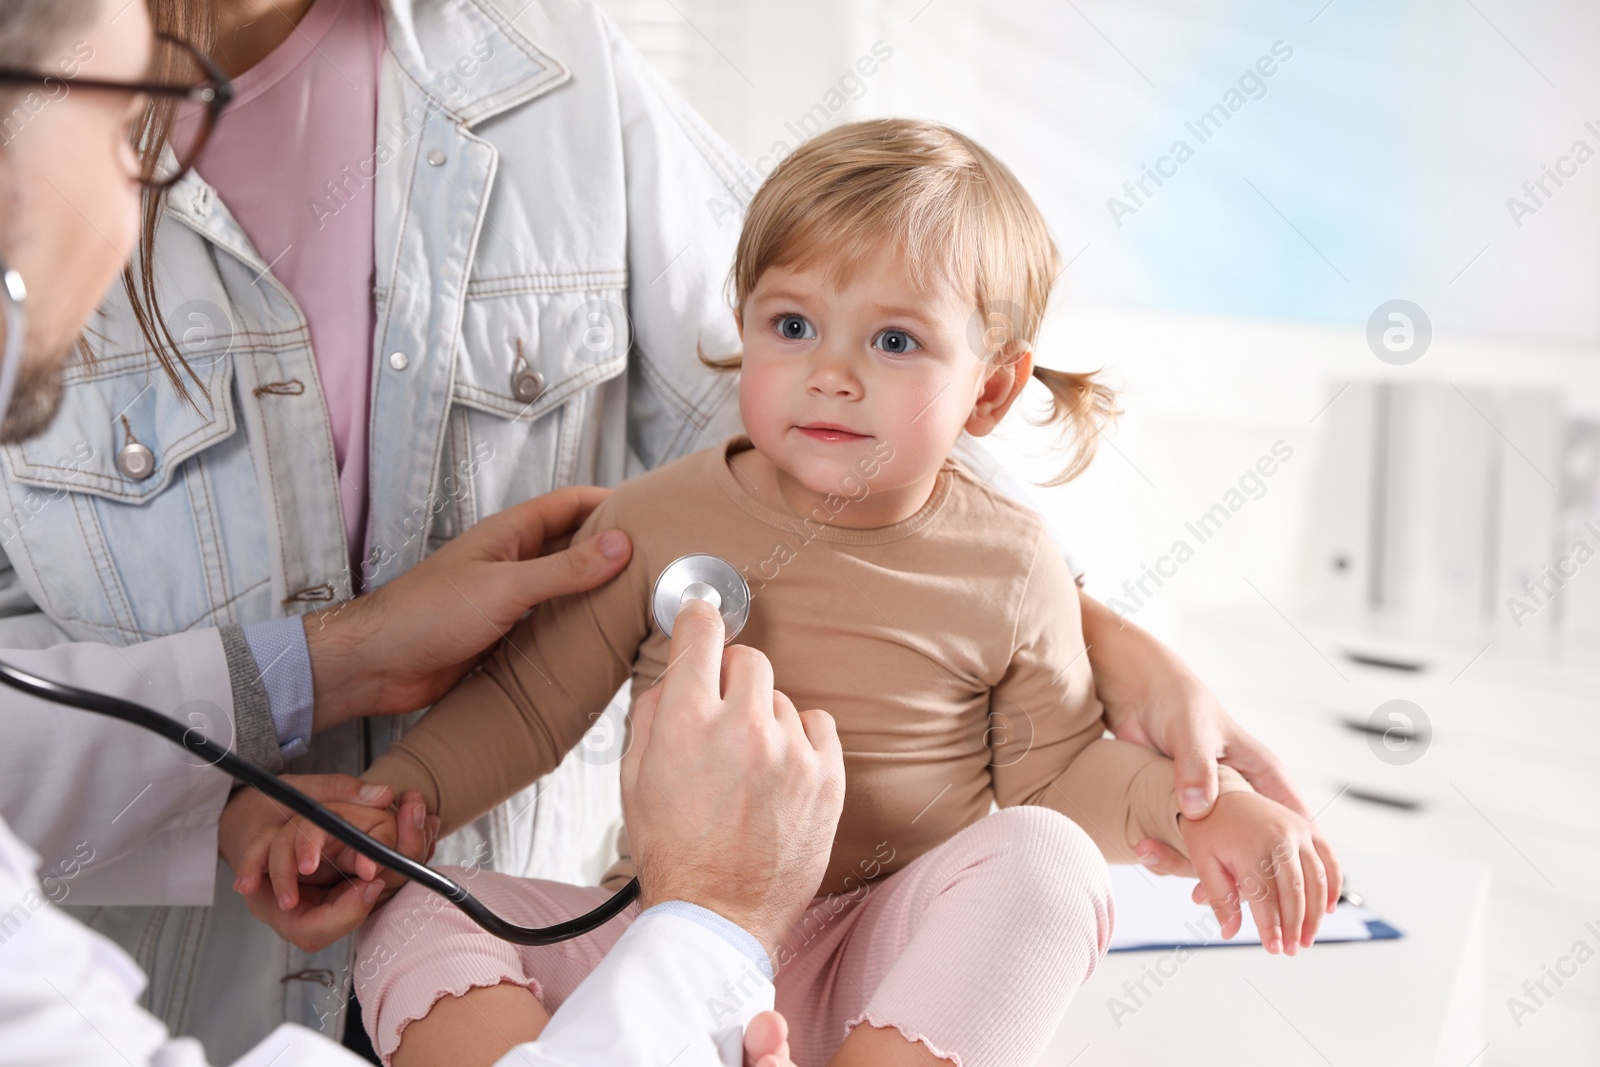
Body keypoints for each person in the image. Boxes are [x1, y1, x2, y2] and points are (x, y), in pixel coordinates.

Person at [4, 0, 1319, 1058]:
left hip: (868, 941)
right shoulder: (670, 518)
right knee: (423, 908)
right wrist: (398, 809)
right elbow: (528, 710)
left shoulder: (554, 60)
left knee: (1041, 866)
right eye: (791, 327)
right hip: (626, 939)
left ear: (990, 386)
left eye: (896, 341)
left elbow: (1047, 779)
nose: (832, 376)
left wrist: (1190, 802)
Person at [0, 2, 840, 1064]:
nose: (136, 210)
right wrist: (704, 933)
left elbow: (819, 414)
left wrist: (338, 660)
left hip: (515, 961)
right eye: (130, 148)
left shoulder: (552, 59)